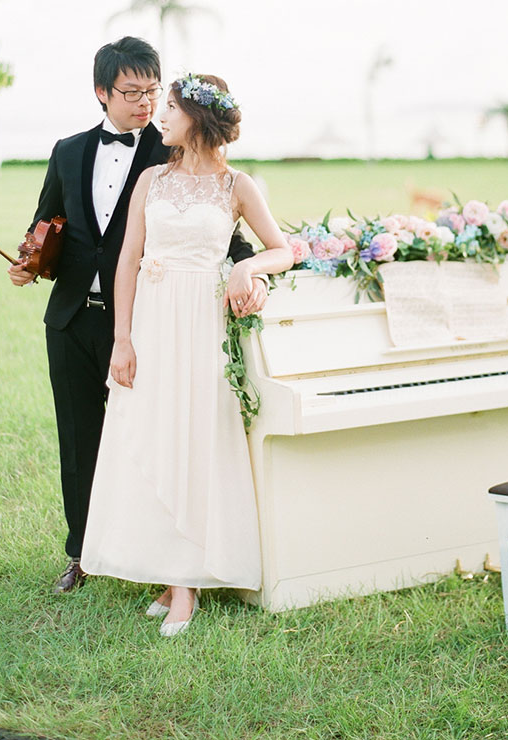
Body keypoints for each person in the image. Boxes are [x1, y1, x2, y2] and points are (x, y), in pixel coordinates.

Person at [8, 38, 267, 594]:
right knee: (78, 439)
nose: (146, 103)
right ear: (102, 92)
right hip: (73, 317)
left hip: (148, 321)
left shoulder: (174, 148)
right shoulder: (68, 150)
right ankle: (83, 554)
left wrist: (256, 273)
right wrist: (31, 261)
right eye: (132, 92)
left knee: (147, 438)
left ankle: (165, 562)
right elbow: (46, 221)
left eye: (153, 91)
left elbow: (225, 232)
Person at [80, 74, 294, 636]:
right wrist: (122, 340)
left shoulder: (236, 185)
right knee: (149, 435)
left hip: (201, 325)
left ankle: (185, 586)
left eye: (170, 106)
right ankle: (165, 568)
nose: (160, 115)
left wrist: (247, 267)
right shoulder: (151, 179)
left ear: (197, 117)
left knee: (192, 440)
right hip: (151, 321)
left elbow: (284, 250)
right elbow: (126, 261)